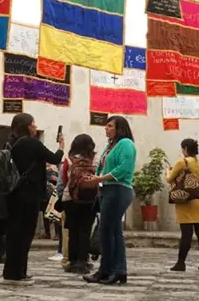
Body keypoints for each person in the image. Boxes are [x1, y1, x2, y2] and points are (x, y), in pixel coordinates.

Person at [2, 113, 64, 285]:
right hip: (28, 194)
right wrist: (61, 146)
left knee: (14, 234)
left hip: (13, 193)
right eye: (34, 123)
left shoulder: (10, 143)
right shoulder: (31, 143)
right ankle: (18, 273)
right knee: (24, 234)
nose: (36, 126)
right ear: (28, 126)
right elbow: (54, 158)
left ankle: (10, 271)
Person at [83, 116, 136, 286]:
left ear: (119, 128)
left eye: (110, 126)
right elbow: (103, 166)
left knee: (107, 231)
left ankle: (108, 269)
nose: (106, 129)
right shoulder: (110, 145)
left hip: (118, 189)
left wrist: (100, 178)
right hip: (107, 189)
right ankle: (117, 270)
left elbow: (123, 168)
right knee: (113, 232)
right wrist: (95, 178)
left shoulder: (126, 143)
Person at [166, 138, 199, 272]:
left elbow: (169, 179)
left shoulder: (182, 162)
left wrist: (168, 171)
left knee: (186, 233)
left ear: (185, 149)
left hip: (185, 201)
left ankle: (181, 262)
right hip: (198, 199)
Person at [62, 134, 97, 275]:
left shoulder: (69, 159)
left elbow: (63, 180)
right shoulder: (95, 160)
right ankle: (83, 262)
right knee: (85, 231)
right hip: (89, 199)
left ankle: (72, 261)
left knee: (73, 231)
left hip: (70, 199)